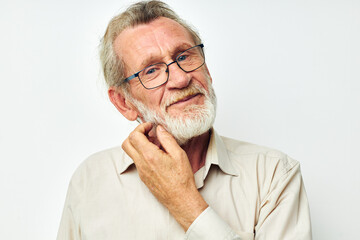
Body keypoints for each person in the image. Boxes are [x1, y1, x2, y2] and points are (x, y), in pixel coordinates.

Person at [57, 1, 312, 239]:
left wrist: (183, 201)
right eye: (151, 70)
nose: (180, 79)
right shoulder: (90, 180)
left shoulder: (274, 175)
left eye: (183, 56)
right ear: (124, 103)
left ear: (207, 70)